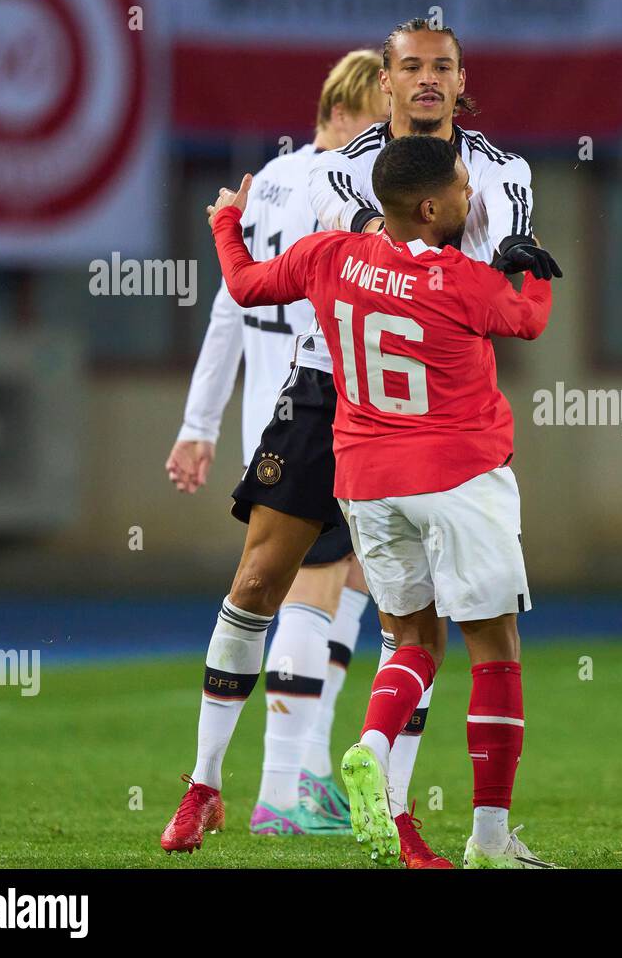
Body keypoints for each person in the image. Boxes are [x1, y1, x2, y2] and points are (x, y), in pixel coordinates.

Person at [210, 134, 557, 869]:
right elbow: (527, 320)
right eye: (463, 189)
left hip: (367, 481)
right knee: (494, 651)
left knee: (412, 641)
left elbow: (244, 287)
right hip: (459, 472)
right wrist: (538, 275)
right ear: (431, 206)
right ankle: (491, 842)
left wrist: (223, 225)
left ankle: (369, 746)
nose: (472, 199)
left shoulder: (330, 254)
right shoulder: (463, 278)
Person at [161, 49, 409, 844]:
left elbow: (231, 307)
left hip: (283, 404)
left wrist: (201, 423)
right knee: (315, 581)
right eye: (380, 109)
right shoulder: (335, 181)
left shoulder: (267, 181)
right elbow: (327, 289)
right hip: (329, 399)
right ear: (346, 108)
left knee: (346, 579)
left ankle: (298, 775)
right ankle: (282, 786)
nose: (387, 130)